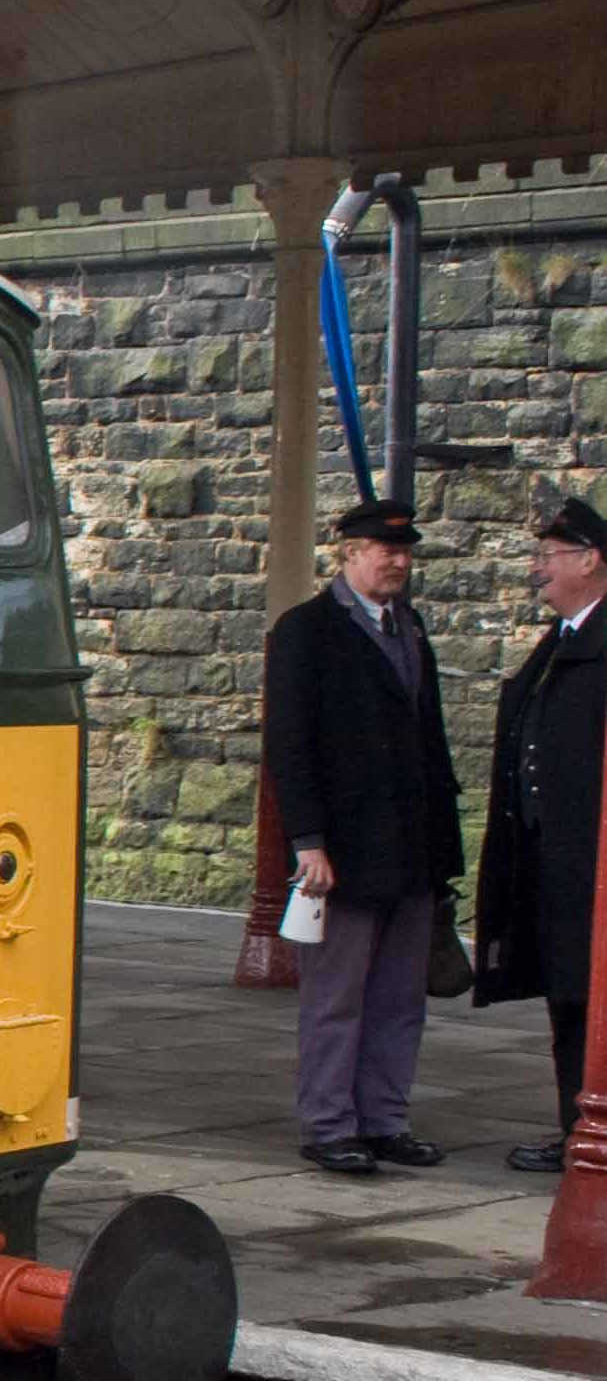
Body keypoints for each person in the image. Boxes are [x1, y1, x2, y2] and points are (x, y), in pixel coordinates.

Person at [262, 498, 462, 1175]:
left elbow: (427, 744)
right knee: (336, 996)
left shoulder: (409, 629)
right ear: (347, 553)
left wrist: (444, 850)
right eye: (385, 551)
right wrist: (307, 841)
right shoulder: (305, 632)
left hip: (409, 847)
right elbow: (290, 746)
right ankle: (328, 1123)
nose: (398, 562)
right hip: (344, 848)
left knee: (399, 997)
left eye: (404, 553)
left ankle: (383, 1119)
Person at [470, 496, 607, 1171]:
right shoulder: (560, 643)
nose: (536, 569)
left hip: (592, 863)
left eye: (549, 557)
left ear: (589, 560)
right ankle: (574, 1124)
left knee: (592, 1001)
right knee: (566, 996)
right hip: (550, 860)